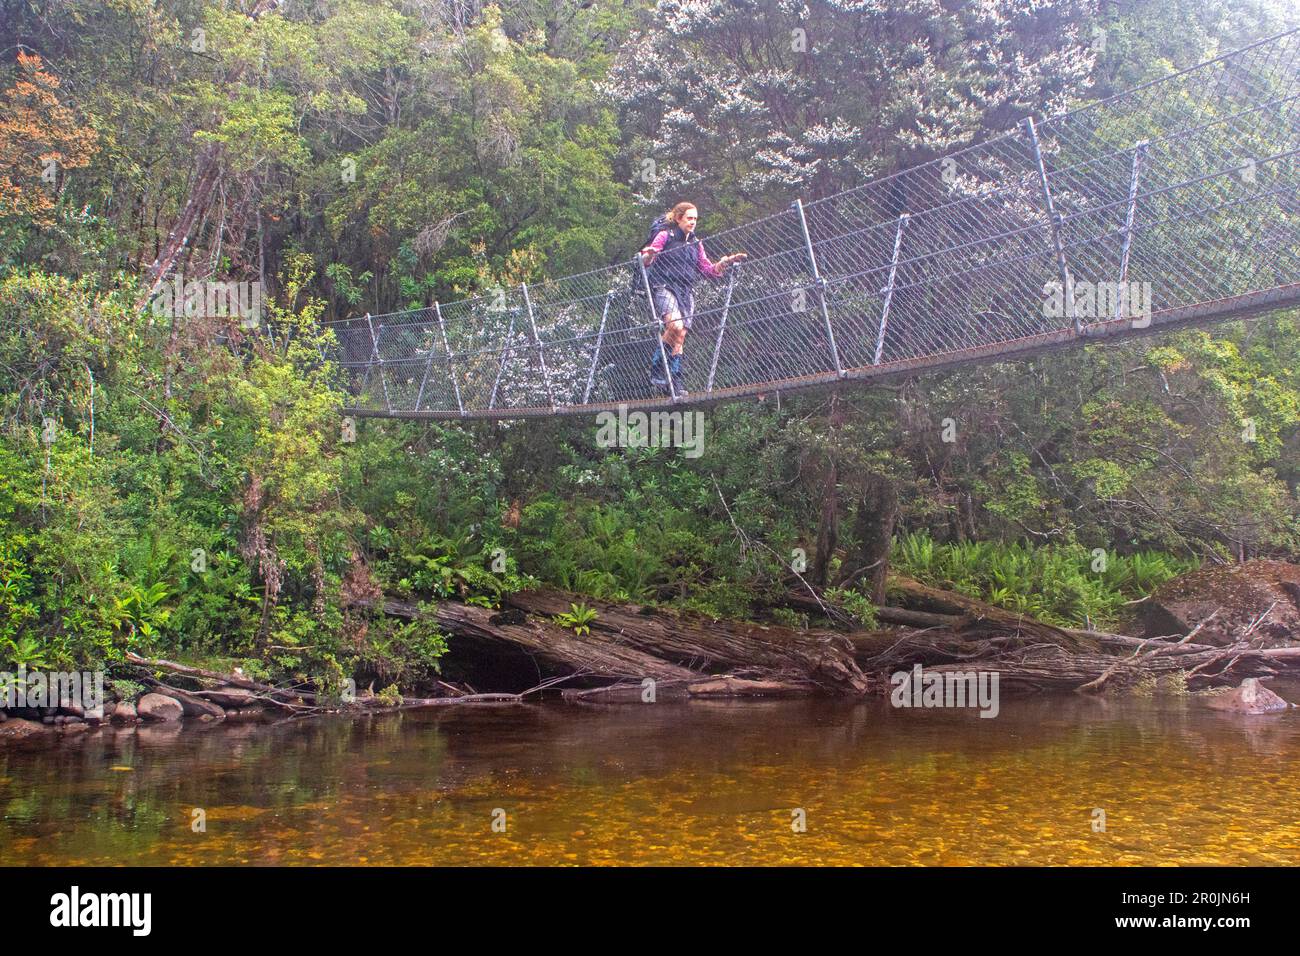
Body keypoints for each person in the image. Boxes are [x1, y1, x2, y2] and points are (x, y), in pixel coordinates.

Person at [639, 202, 747, 396]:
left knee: (679, 338)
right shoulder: (665, 236)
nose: (693, 222)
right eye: (689, 218)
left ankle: (674, 380)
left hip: (686, 291)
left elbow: (707, 270)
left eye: (695, 219)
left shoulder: (696, 243)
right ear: (679, 218)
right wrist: (649, 255)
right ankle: (657, 367)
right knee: (675, 326)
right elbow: (647, 260)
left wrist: (724, 263)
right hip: (664, 286)